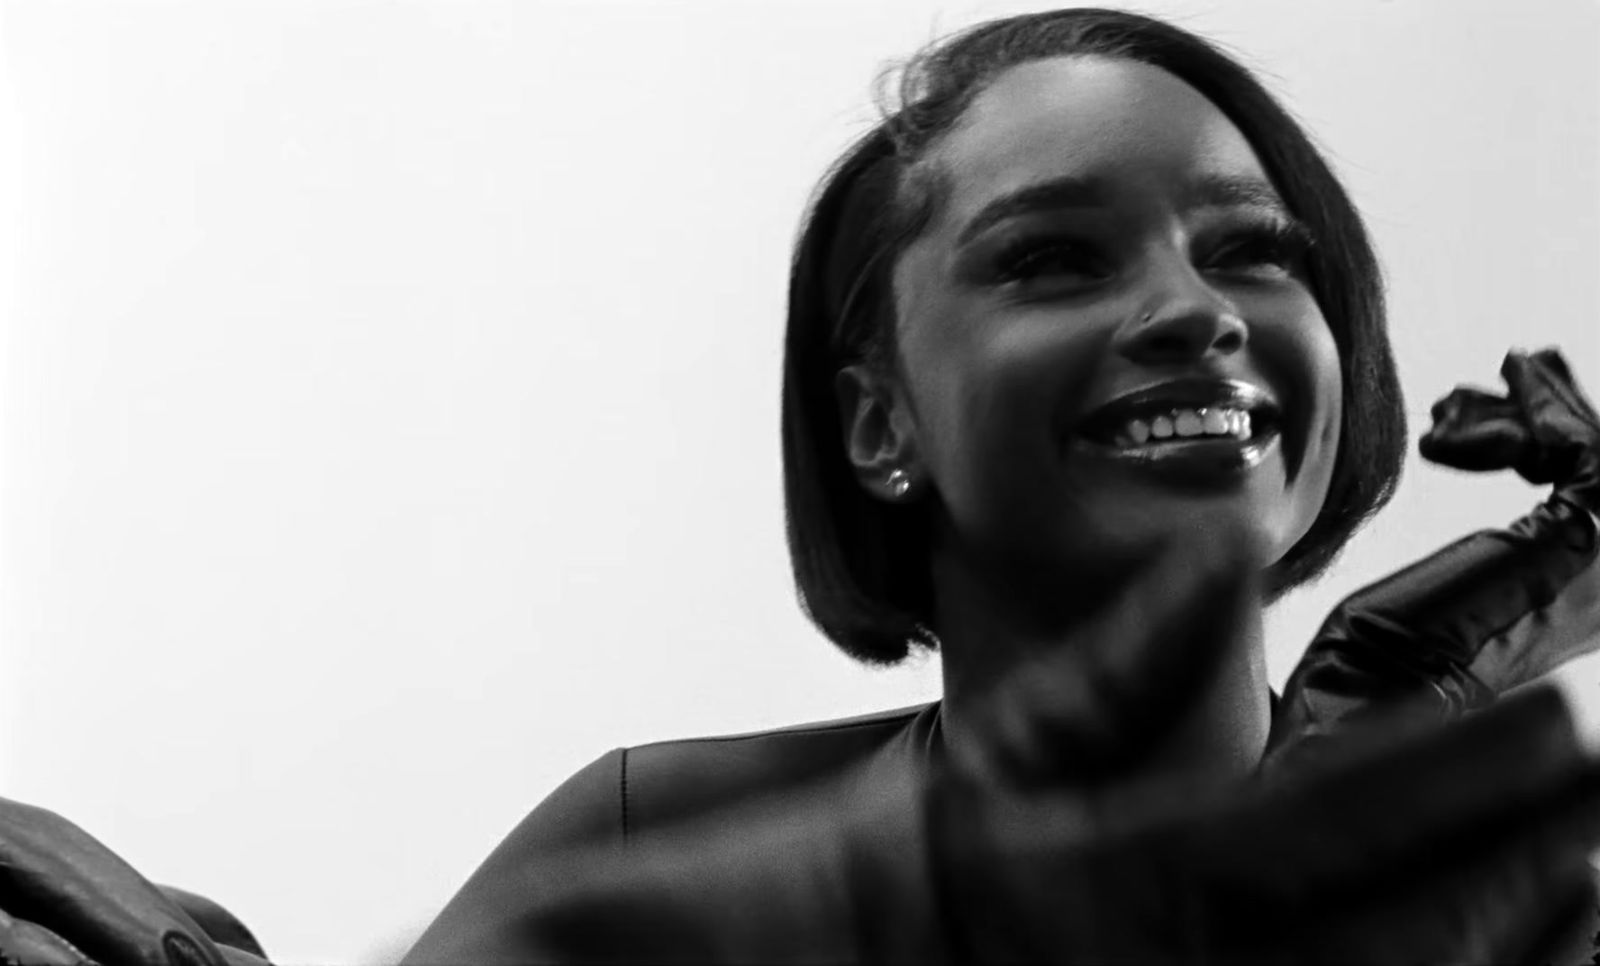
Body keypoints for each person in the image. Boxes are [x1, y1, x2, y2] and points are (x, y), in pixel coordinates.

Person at [2, 8, 1599, 965]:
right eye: (1052, 258)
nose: (1197, 308)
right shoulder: (654, 841)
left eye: (1256, 250)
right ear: (876, 424)